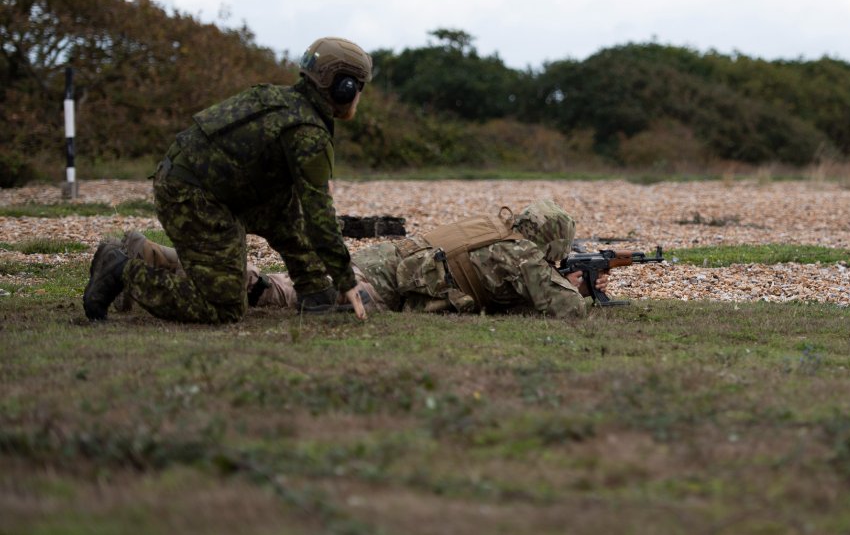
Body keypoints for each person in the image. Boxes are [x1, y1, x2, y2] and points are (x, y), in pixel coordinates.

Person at [81, 37, 373, 324]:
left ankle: (317, 294)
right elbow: (319, 214)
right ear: (343, 87)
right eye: (358, 87)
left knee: (287, 213)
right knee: (223, 307)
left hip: (208, 186)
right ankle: (121, 270)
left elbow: (294, 210)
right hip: (193, 196)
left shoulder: (282, 100)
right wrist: (347, 280)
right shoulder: (309, 133)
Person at [115, 199, 606, 319]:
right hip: (382, 285)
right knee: (279, 297)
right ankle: (134, 274)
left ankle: (173, 258)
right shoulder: (524, 256)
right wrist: (580, 288)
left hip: (379, 259)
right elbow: (566, 310)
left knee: (280, 282)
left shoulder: (494, 229)